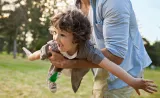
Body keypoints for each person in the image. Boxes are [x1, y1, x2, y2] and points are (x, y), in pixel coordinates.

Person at [24, 9, 157, 95]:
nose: (56, 38)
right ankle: (52, 79)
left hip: (77, 63)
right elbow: (37, 54)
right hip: (60, 61)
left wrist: (132, 81)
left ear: (76, 37)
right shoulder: (53, 46)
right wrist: (30, 57)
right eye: (54, 33)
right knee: (55, 69)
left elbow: (111, 66)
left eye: (62, 35)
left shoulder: (88, 50)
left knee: (69, 70)